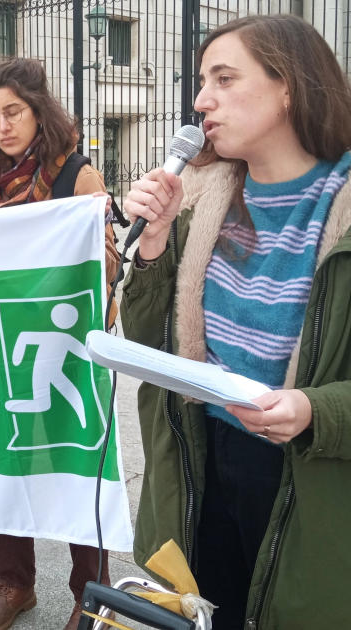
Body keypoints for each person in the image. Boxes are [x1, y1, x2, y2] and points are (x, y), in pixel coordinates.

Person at [121, 15, 351, 629]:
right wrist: (155, 241)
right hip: (204, 453)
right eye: (202, 80)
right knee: (212, 608)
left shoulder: (342, 207)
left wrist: (313, 410)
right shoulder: (200, 201)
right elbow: (146, 341)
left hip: (313, 470)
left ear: (289, 88)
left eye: (224, 78)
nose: (201, 101)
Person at [0, 56, 121, 630]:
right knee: (6, 467)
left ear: (37, 110)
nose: (1, 125)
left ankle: (89, 589)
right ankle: (15, 583)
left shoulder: (76, 176)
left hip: (62, 347)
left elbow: (106, 266)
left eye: (12, 112)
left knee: (72, 467)